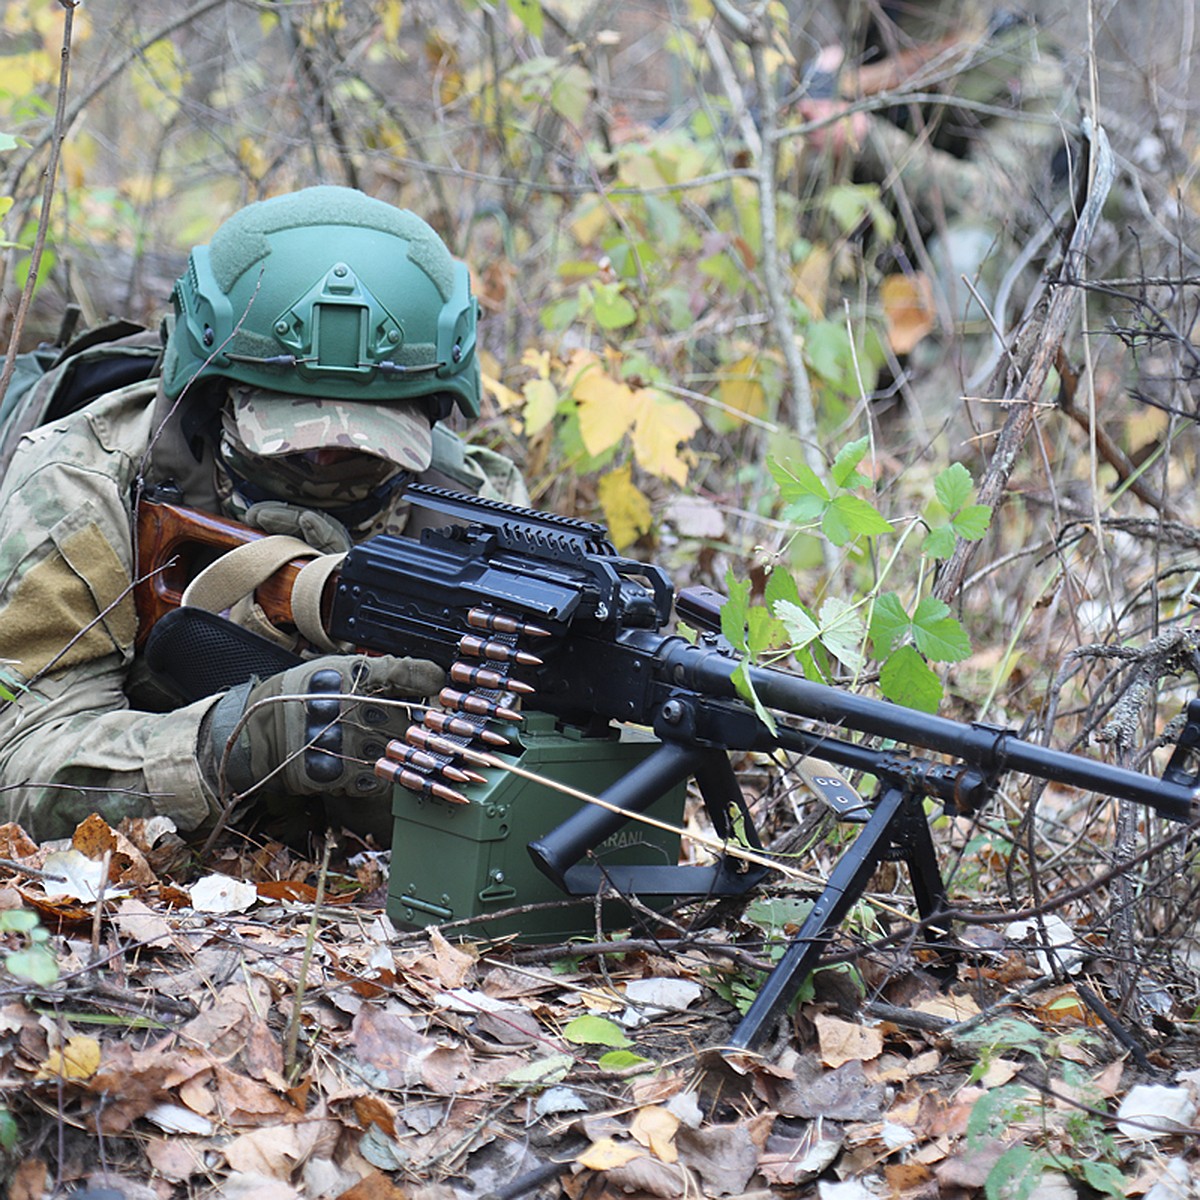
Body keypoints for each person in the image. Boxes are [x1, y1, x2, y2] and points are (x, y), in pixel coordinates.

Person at [0, 185, 528, 846]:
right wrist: (242, 738)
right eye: (295, 448)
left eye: (364, 451)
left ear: (432, 409)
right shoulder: (85, 480)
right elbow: (19, 764)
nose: (329, 463)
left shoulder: (476, 511)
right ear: (209, 397)